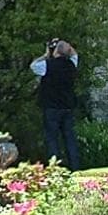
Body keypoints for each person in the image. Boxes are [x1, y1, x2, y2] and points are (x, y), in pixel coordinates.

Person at [31, 37, 81, 170]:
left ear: (55, 51)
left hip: (51, 107)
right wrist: (66, 46)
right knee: (70, 138)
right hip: (68, 106)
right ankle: (75, 167)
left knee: (52, 139)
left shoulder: (47, 65)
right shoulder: (71, 64)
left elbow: (33, 65)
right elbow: (74, 54)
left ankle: (55, 168)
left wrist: (46, 53)